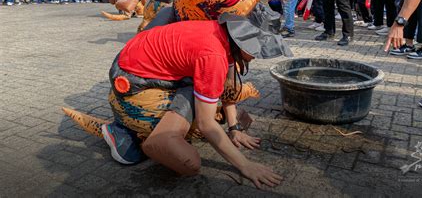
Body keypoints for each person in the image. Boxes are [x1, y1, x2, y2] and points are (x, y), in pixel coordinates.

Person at [102, 14, 290, 188]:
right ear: (243, 42)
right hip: (132, 83)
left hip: (134, 63)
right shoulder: (214, 56)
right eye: (257, 50)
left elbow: (228, 86)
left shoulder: (224, 35)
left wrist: (234, 129)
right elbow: (205, 123)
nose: (256, 56)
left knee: (211, 98)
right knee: (189, 163)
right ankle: (132, 134)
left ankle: (139, 129)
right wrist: (245, 165)